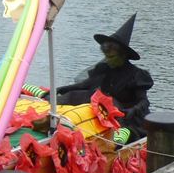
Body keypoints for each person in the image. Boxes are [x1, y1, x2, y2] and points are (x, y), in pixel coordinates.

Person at [56, 14, 154, 143]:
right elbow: (84, 85)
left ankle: (117, 142)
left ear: (123, 55)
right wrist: (61, 89)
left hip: (126, 116)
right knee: (78, 95)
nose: (107, 60)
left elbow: (144, 101)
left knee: (123, 132)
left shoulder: (137, 75)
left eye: (111, 57)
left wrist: (132, 110)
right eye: (106, 56)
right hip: (104, 111)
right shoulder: (104, 69)